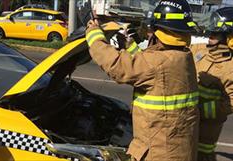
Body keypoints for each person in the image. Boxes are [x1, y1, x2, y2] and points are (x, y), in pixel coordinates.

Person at [85, 0, 199, 160]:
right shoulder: (183, 57)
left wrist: (94, 35)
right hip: (178, 149)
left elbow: (117, 66)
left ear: (160, 30)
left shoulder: (158, 62)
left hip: (158, 153)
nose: (147, 32)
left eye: (151, 29)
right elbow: (150, 68)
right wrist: (130, 46)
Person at [190, 7, 233, 161]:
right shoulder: (198, 51)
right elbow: (170, 58)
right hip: (186, 126)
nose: (210, 35)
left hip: (205, 135)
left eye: (215, 32)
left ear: (229, 37)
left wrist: (200, 110)